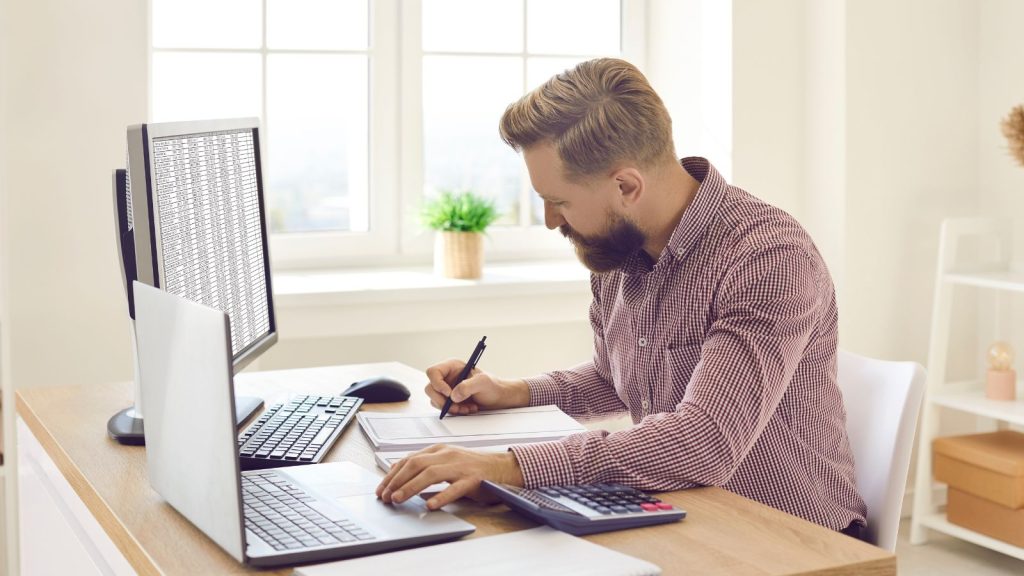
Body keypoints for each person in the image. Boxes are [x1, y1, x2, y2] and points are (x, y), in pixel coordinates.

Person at [376, 57, 866, 535]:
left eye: (559, 201)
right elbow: (618, 378)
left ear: (626, 185)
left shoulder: (767, 257)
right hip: (683, 510)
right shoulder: (620, 246)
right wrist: (512, 393)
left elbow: (704, 440)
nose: (551, 220)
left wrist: (506, 467)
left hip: (792, 537)